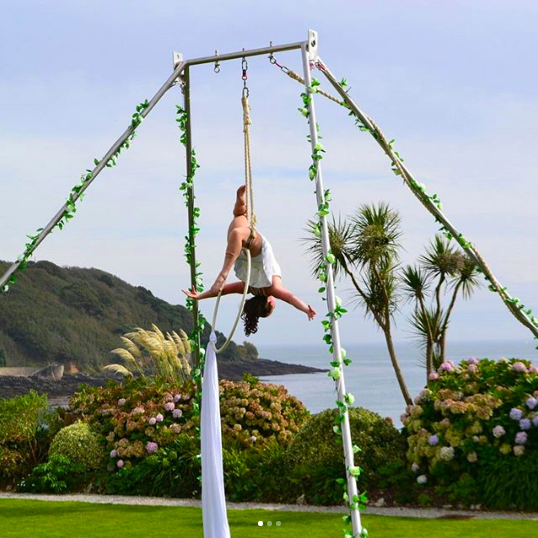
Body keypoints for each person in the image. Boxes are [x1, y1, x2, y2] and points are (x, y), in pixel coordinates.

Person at [183, 185, 316, 336]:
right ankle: (240, 201)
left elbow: (291, 298)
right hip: (239, 253)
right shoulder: (249, 288)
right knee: (239, 218)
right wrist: (200, 296)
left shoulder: (272, 289)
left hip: (255, 253)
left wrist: (306, 309)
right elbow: (222, 291)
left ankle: (223, 273)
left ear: (271, 302)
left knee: (239, 231)